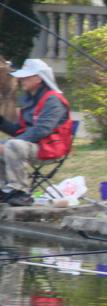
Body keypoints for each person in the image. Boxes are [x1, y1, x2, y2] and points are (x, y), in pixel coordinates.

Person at [0, 59, 73, 207]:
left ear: (38, 78)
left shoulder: (53, 100)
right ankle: (5, 189)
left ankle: (20, 192)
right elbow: (20, 130)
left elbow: (41, 130)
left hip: (50, 149)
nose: (21, 80)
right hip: (32, 146)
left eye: (26, 77)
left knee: (12, 146)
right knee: (9, 145)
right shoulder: (30, 99)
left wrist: (6, 145)